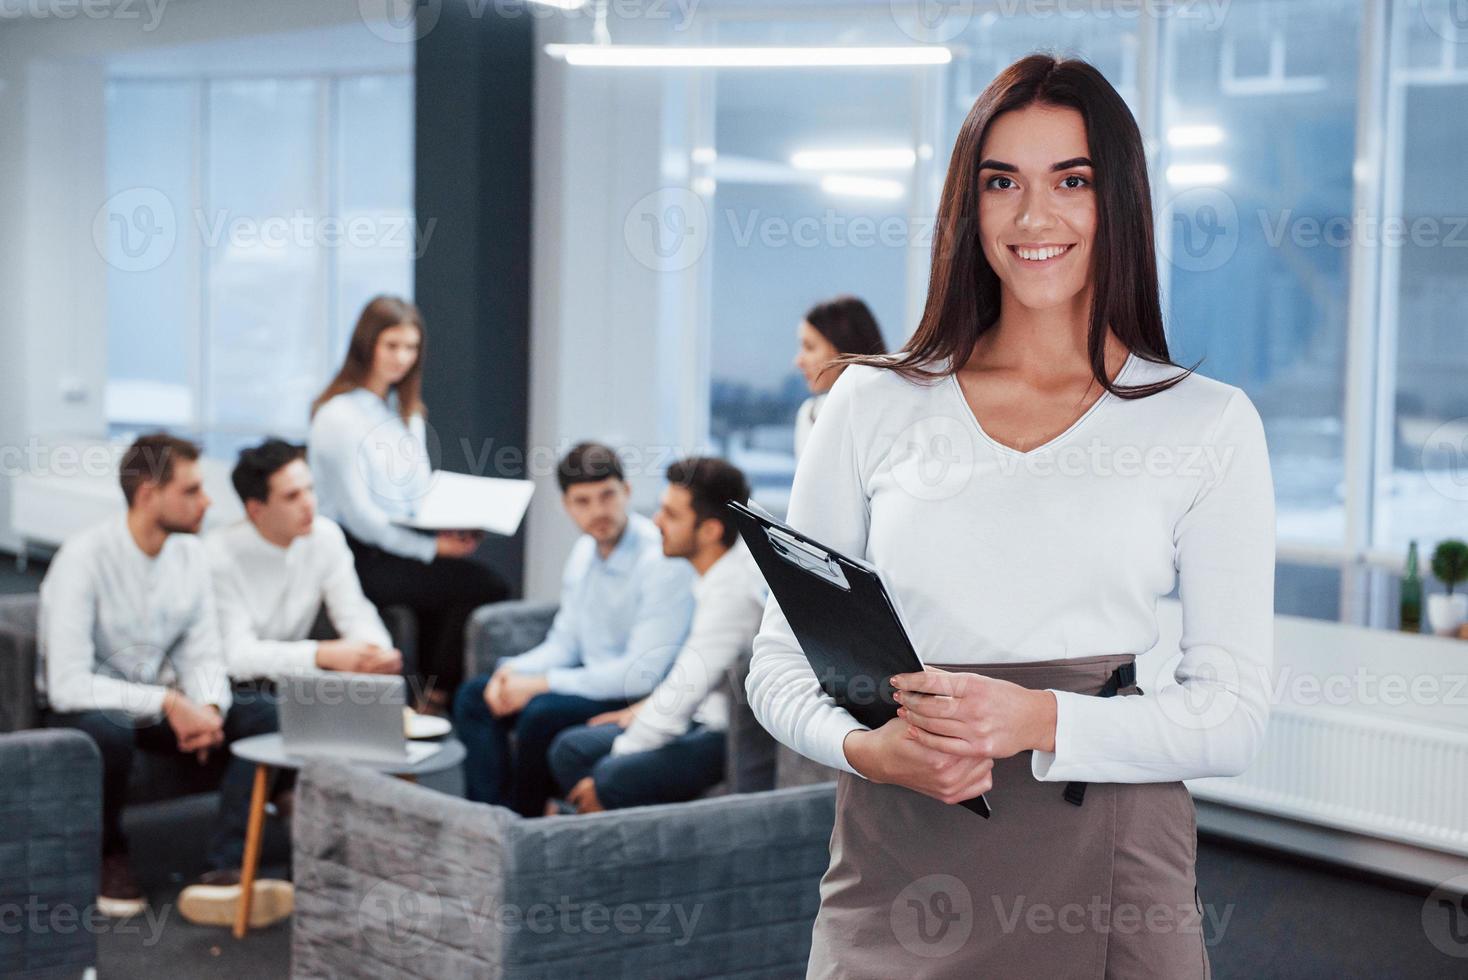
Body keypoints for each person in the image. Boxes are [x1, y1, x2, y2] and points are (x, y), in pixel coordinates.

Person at [746, 54, 1275, 977]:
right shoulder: (870, 402)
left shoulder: (1206, 422)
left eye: (1072, 181)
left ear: (1120, 202)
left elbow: (1231, 717)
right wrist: (869, 751)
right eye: (1003, 184)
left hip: (1108, 851)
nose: (1036, 218)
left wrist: (1035, 719)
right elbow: (780, 666)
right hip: (900, 848)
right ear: (969, 206)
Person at [39, 434, 288, 926]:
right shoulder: (83, 558)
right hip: (89, 705)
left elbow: (204, 651)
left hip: (157, 704)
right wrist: (171, 704)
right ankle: (109, 854)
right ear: (148, 494)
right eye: (192, 490)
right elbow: (67, 682)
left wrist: (210, 708)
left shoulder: (190, 555)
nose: (207, 501)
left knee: (263, 715)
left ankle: (226, 870)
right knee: (107, 731)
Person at [452, 442, 696, 817]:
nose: (598, 511)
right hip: (590, 682)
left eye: (607, 496)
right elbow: (564, 644)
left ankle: (525, 823)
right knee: (475, 695)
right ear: (566, 506)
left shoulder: (660, 560)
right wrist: (511, 671)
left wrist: (540, 684)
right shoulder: (584, 553)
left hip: (633, 694)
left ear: (626, 492)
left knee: (539, 712)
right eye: (583, 501)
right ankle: (488, 818)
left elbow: (639, 675)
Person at [308, 295, 509, 711]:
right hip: (356, 552)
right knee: (480, 584)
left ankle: (431, 695)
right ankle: (432, 698)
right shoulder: (337, 416)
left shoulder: (406, 413)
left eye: (411, 347)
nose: (401, 358)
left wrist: (451, 527)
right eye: (392, 345)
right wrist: (431, 549)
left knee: (464, 582)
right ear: (368, 346)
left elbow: (416, 494)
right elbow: (360, 517)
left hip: (402, 540)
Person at [548, 457, 764, 812]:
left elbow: (685, 693)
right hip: (696, 712)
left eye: (671, 515)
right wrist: (643, 710)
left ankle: (595, 825)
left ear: (709, 530)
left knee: (609, 776)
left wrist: (618, 758)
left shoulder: (733, 594)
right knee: (569, 749)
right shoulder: (713, 568)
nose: (656, 522)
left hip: (719, 732)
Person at [206, 438, 401, 683]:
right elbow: (237, 656)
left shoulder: (325, 536)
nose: (309, 503)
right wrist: (320, 654)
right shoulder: (217, 554)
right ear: (256, 510)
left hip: (298, 675)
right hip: (239, 685)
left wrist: (375, 650)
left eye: (310, 489)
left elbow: (354, 611)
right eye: (292, 496)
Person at [792, 296, 886, 458]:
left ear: (843, 349)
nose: (798, 361)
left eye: (810, 347)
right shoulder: (810, 414)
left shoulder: (890, 414)